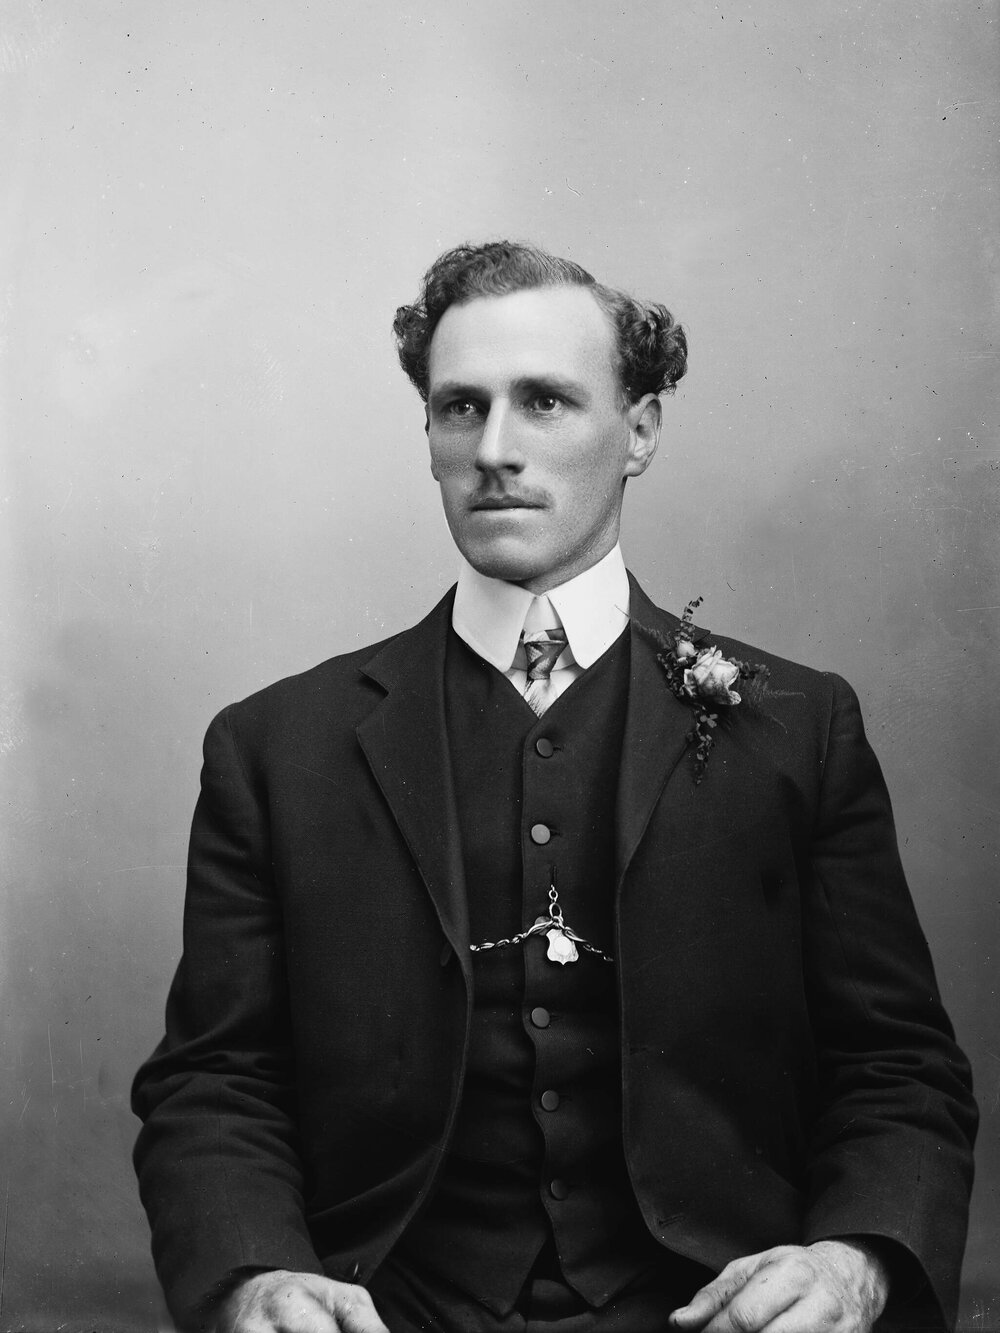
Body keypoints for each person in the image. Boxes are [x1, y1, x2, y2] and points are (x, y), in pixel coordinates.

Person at [132, 241, 977, 1333]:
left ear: (638, 432)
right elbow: (215, 1084)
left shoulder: (800, 728)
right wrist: (257, 1278)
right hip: (387, 1309)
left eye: (543, 402)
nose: (493, 449)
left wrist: (854, 1261)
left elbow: (898, 1069)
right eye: (458, 408)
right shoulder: (275, 746)